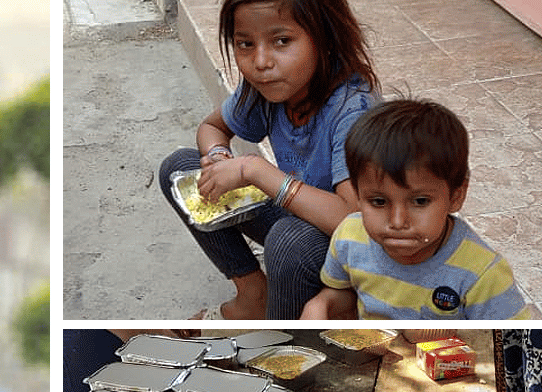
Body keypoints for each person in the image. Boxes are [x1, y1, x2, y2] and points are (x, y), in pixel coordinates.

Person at [158, 0, 379, 319]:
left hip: (348, 248)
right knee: (180, 168)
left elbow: (355, 221)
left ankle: (287, 332)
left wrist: (254, 169)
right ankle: (253, 294)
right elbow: (212, 128)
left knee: (288, 241)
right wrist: (218, 158)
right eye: (245, 44)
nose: (260, 62)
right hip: (296, 218)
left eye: (282, 41)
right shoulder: (268, 87)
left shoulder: (352, 111)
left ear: (326, 37)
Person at [303, 99, 537, 320]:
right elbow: (346, 293)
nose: (397, 221)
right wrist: (322, 304)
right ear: (358, 194)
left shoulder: (482, 274)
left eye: (420, 201)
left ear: (456, 195)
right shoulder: (350, 239)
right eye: (379, 202)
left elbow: (513, 341)